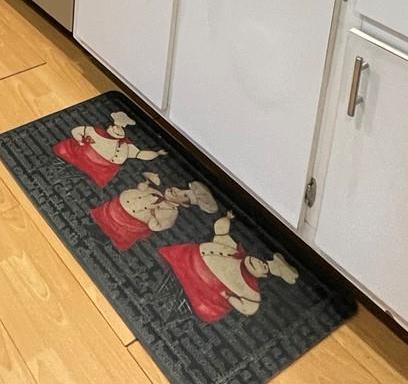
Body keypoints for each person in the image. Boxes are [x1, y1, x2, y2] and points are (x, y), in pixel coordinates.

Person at [158, 212, 299, 322]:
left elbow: (249, 307)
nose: (258, 261)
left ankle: (278, 268)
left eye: (262, 267)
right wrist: (226, 219)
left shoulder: (249, 288)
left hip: (205, 289)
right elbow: (221, 232)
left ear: (262, 276)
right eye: (260, 261)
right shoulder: (234, 252)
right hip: (189, 260)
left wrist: (230, 298)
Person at [91, 173, 219, 250]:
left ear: (184, 204)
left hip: (130, 223)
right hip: (118, 207)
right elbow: (141, 191)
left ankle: (100, 241)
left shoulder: (170, 213)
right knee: (101, 218)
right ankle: (92, 226)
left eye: (183, 195)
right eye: (181, 189)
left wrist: (153, 215)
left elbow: (156, 226)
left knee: (110, 232)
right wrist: (144, 186)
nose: (177, 190)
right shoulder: (157, 192)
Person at [52, 110, 166, 188]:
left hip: (102, 169)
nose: (116, 129)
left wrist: (157, 153)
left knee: (88, 182)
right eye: (115, 126)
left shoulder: (125, 146)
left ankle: (81, 184)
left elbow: (140, 154)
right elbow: (77, 131)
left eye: (120, 128)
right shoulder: (95, 131)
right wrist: (81, 142)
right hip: (83, 155)